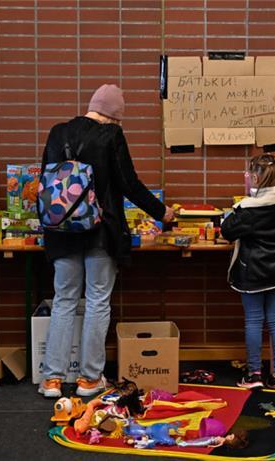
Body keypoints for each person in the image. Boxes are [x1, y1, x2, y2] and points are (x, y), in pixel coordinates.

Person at [38, 84, 174, 398]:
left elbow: (46, 179)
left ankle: (52, 380)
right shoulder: (111, 136)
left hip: (60, 231)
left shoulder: (58, 133)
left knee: (64, 301)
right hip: (100, 231)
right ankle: (89, 379)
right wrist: (161, 212)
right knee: (98, 301)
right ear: (114, 116)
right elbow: (129, 184)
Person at [220, 154, 275, 391]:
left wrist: (247, 194)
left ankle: (254, 375)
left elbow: (227, 231)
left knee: (254, 321)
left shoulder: (250, 209)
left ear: (253, 177)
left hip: (252, 271)